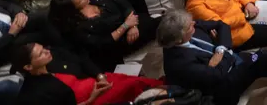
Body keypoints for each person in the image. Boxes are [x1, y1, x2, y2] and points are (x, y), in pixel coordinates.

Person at [158, 9, 267, 105]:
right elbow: (217, 75)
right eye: (190, 26)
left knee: (265, 58)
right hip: (224, 86)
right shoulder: (179, 64)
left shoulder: (188, 26)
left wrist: (220, 49)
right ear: (179, 38)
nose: (195, 23)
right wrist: (224, 51)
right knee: (264, 58)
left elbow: (221, 25)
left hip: (229, 61)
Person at [13, 41, 165, 105]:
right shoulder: (38, 94)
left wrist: (99, 77)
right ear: (28, 66)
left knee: (122, 77)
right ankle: (167, 90)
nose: (47, 51)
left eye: (44, 48)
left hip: (93, 85)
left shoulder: (52, 62)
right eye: (41, 54)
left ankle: (163, 86)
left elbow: (81, 59)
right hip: (92, 99)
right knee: (132, 84)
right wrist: (92, 98)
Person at [49, 0, 156, 70]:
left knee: (153, 21)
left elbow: (122, 2)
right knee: (157, 25)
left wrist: (133, 25)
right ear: (73, 9)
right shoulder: (79, 27)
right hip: (118, 43)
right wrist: (126, 25)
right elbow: (105, 42)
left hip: (131, 23)